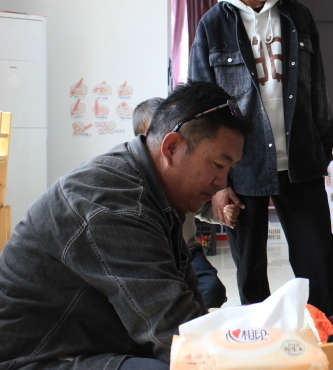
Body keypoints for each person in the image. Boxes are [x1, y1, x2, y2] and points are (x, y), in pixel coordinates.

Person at [0, 81, 250, 370]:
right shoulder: (113, 201)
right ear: (172, 147)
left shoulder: (155, 190)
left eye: (229, 170)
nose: (222, 182)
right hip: (32, 359)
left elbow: (187, 308)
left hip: (85, 343)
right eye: (219, 165)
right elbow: (176, 335)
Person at [189, 0, 333, 322]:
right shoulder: (212, 25)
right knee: (250, 269)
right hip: (242, 167)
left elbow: (318, 91)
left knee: (319, 261)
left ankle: (329, 341)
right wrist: (218, 183)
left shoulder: (298, 17)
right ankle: (261, 345)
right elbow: (201, 112)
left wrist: (322, 153)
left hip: (300, 164)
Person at [133, 97, 228, 309]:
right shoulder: (137, 182)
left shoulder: (184, 174)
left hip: (188, 250)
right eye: (155, 134)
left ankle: (195, 320)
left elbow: (201, 207)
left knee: (211, 289)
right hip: (156, 252)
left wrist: (222, 211)